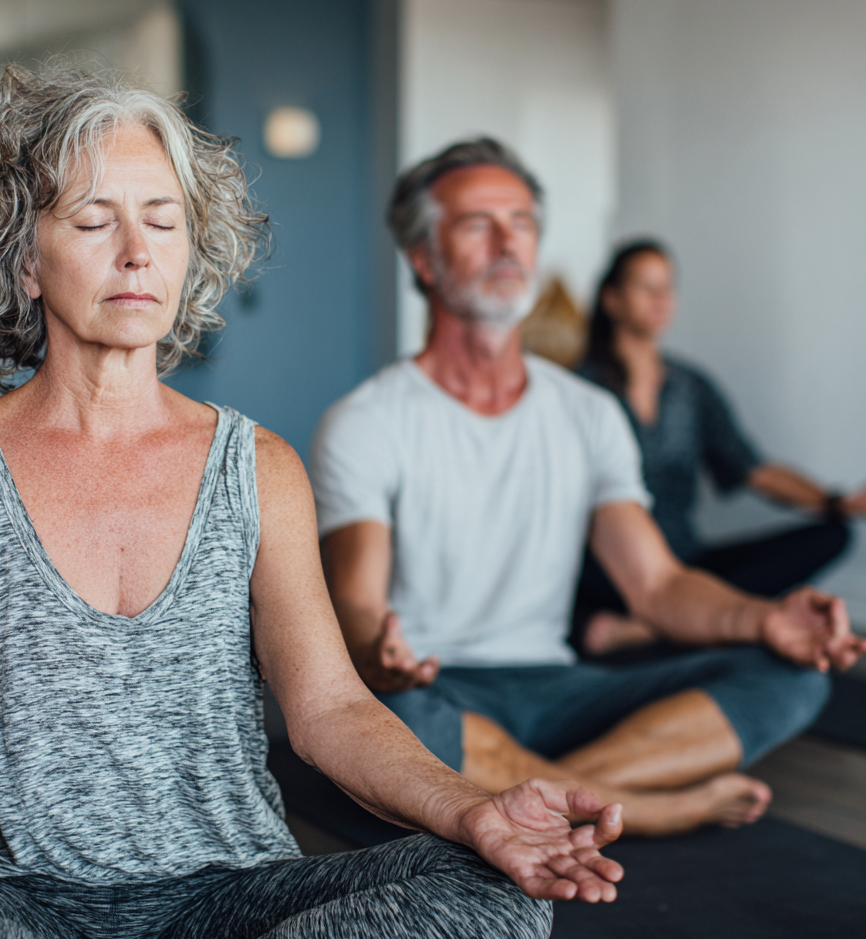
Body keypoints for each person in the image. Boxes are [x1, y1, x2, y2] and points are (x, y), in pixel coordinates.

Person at [0, 71, 626, 939]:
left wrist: (471, 810)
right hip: (12, 899)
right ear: (25, 258)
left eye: (164, 221)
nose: (137, 252)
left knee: (494, 892)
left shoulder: (257, 468)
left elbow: (330, 709)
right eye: (95, 221)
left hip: (226, 895)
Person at [310, 137, 864, 839]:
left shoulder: (587, 414)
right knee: (385, 715)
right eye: (479, 223)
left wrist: (767, 620)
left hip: (558, 685)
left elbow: (658, 588)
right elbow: (356, 600)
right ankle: (647, 805)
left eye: (523, 222)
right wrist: (374, 652)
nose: (509, 241)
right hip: (439, 686)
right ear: (424, 258)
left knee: (790, 675)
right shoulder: (364, 421)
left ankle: (534, 796)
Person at [574, 239, 863, 656]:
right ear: (612, 299)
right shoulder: (579, 392)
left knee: (831, 535)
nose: (660, 298)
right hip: (609, 572)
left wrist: (835, 502)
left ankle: (653, 628)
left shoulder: (691, 387)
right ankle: (663, 622)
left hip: (684, 566)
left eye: (668, 287)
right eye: (645, 286)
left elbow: (751, 469)